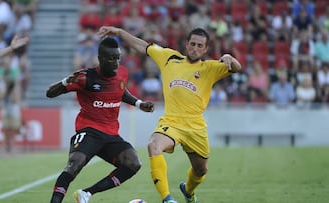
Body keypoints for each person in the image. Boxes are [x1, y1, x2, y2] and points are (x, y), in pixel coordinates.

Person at [97, 26, 241, 203]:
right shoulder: (169, 58)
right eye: (192, 44)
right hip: (171, 122)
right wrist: (119, 32)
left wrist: (229, 58)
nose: (195, 48)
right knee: (153, 146)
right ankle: (167, 198)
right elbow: (142, 46)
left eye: (199, 45)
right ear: (186, 44)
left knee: (200, 170)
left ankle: (188, 191)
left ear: (205, 49)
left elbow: (236, 67)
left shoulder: (210, 68)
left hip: (196, 126)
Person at [47, 37, 154, 203]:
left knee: (133, 163)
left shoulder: (122, 73)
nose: (116, 63)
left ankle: (86, 193)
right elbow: (50, 93)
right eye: (111, 59)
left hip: (111, 135)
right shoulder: (85, 78)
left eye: (118, 58)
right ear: (101, 59)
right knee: (75, 165)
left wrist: (139, 104)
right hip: (89, 131)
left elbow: (120, 91)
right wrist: (65, 81)